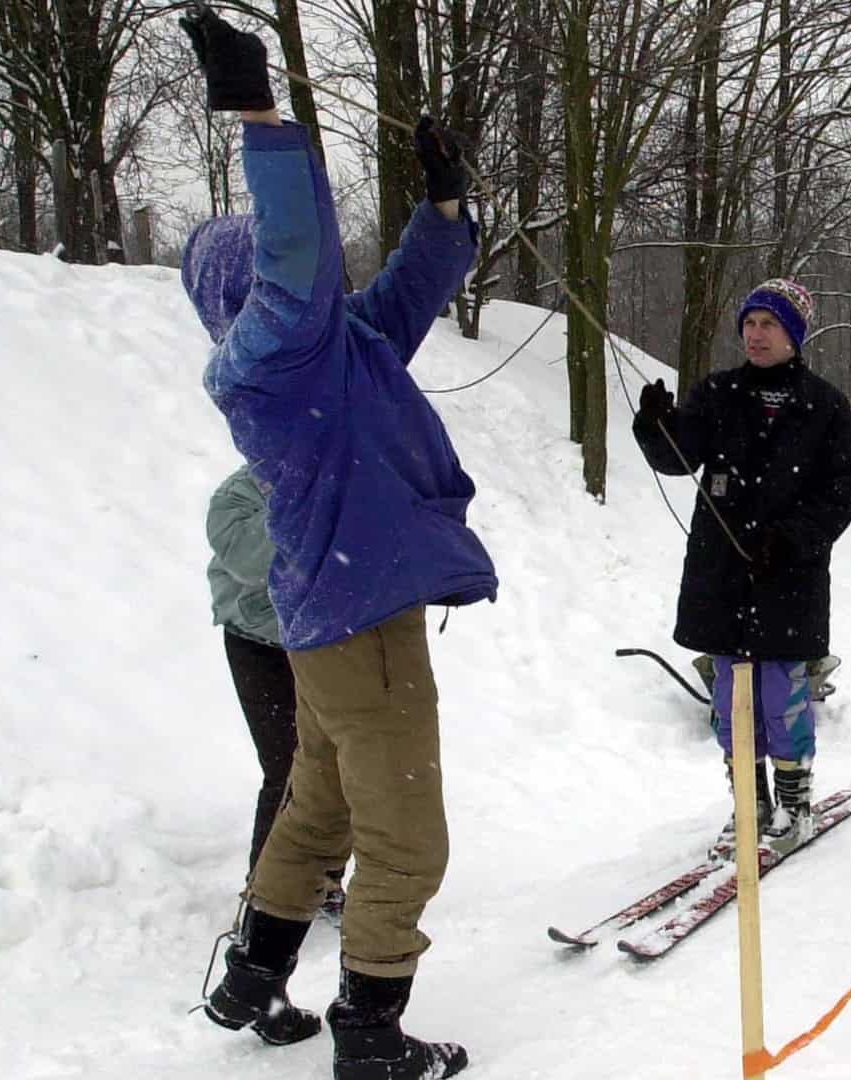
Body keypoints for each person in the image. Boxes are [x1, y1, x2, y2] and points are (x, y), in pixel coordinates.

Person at [179, 8, 492, 1078]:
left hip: (331, 611)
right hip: (360, 618)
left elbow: (407, 289)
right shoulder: (270, 357)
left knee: (319, 800)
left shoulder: (332, 347)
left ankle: (254, 973)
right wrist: (259, 116)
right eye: (269, 269)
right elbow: (299, 250)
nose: (297, 275)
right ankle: (370, 1037)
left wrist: (444, 202)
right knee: (409, 837)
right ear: (247, 292)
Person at [633, 278, 851, 854]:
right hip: (722, 576)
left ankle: (794, 804)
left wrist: (791, 540)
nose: (757, 335)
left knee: (780, 697)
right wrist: (656, 424)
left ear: (795, 334)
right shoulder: (718, 393)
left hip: (790, 578)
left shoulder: (827, 407)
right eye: (751, 323)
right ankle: (749, 804)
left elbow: (843, 492)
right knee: (729, 702)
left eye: (771, 325)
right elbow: (677, 459)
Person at [206, 464, 347, 917]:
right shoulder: (236, 497)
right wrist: (312, 511)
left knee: (336, 761)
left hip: (324, 641)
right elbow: (254, 562)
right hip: (259, 644)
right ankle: (265, 891)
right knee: (287, 764)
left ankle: (323, 880)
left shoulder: (331, 482)